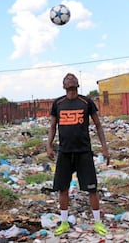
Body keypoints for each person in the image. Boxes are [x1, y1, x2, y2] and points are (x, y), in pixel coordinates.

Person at [46, 73, 110, 236]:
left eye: (72, 78)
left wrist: (105, 148)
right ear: (63, 85)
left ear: (77, 83)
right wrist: (49, 146)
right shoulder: (58, 103)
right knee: (63, 189)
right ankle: (64, 222)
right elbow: (53, 127)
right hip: (65, 152)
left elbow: (98, 126)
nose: (70, 78)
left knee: (92, 188)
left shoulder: (86, 102)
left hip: (84, 152)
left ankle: (97, 223)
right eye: (67, 78)